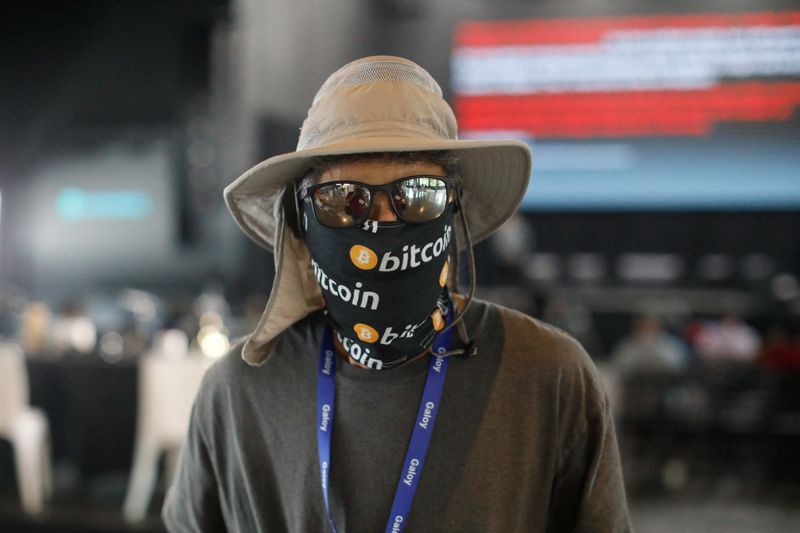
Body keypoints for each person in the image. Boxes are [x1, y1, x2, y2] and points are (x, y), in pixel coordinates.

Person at [163, 56, 632, 532]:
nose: (383, 222)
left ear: (453, 210)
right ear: (301, 225)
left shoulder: (548, 376)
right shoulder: (237, 392)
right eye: (345, 200)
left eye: (418, 194)